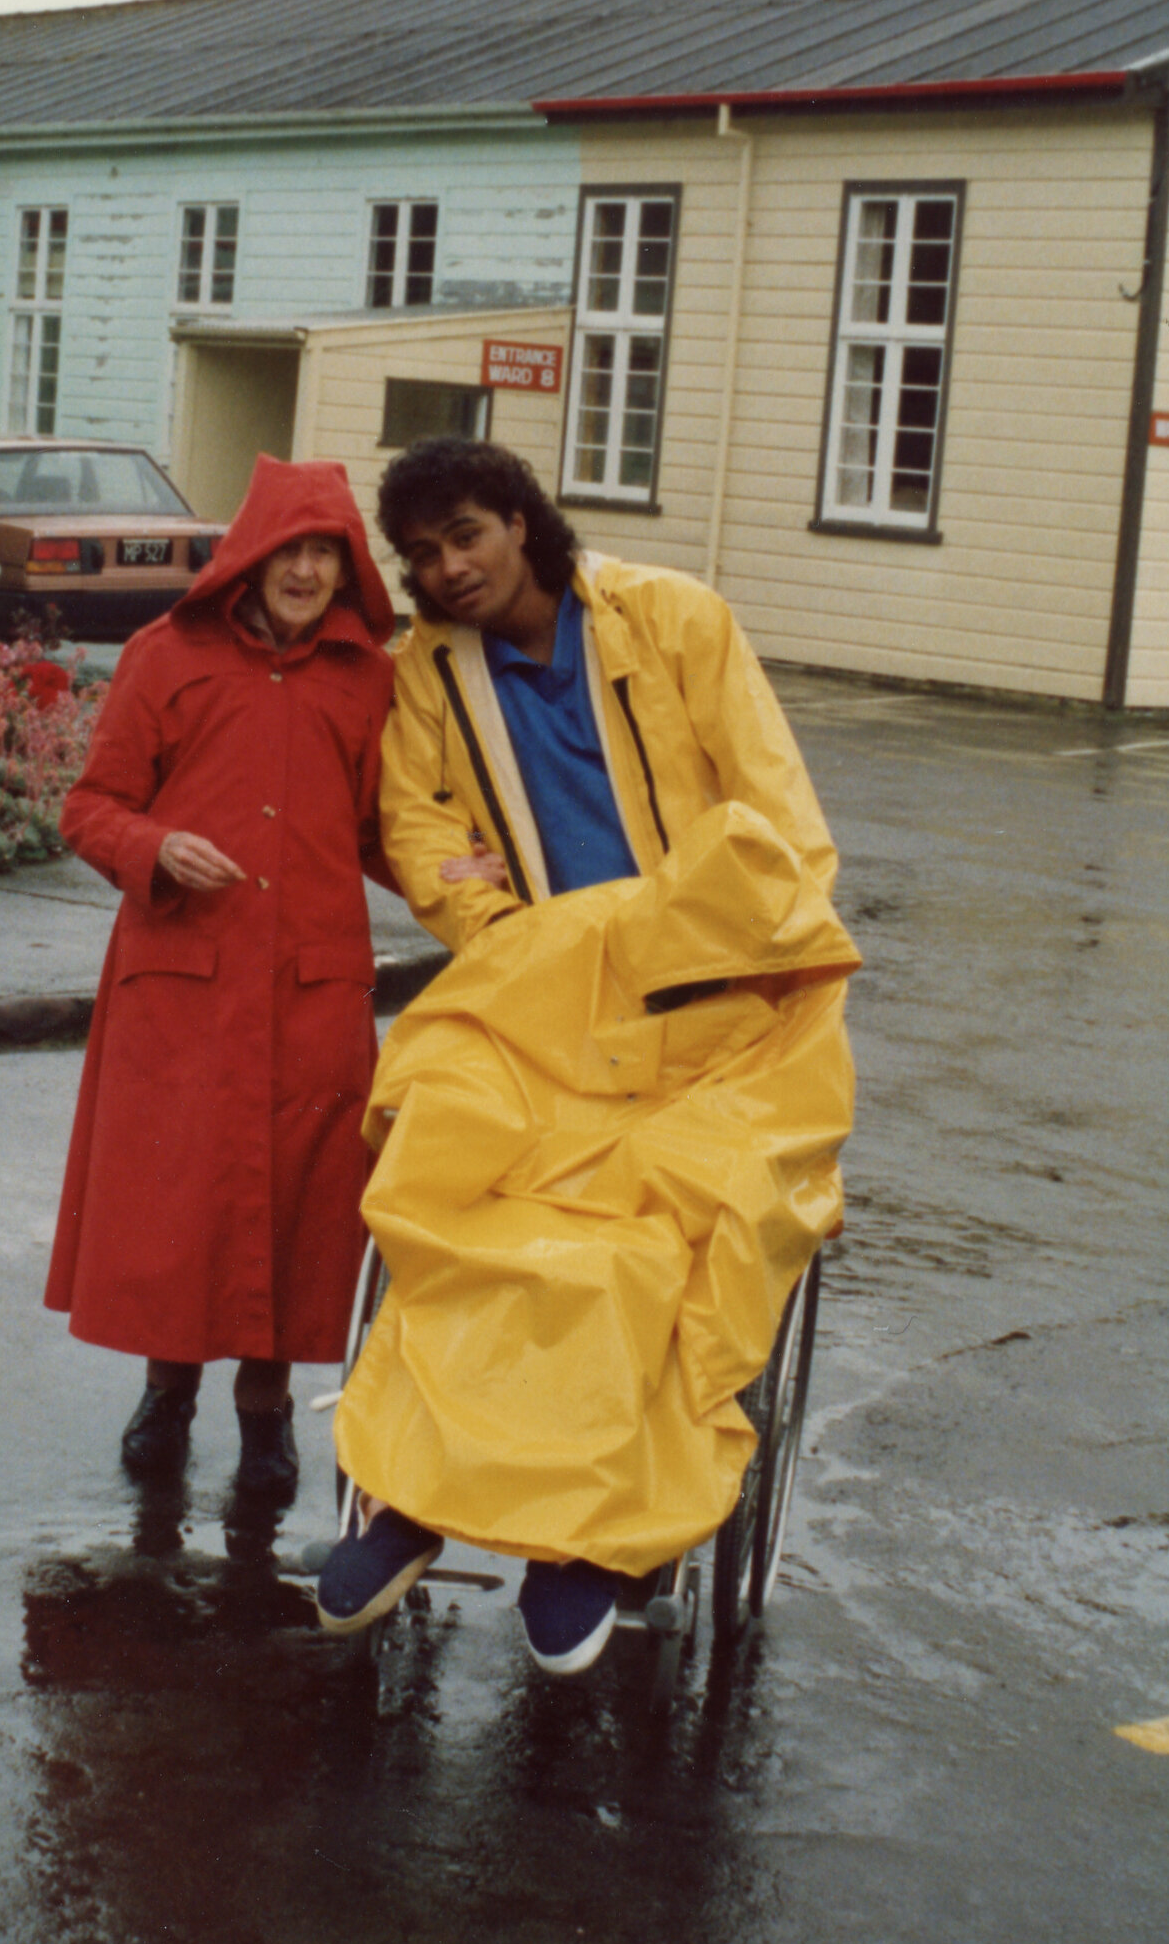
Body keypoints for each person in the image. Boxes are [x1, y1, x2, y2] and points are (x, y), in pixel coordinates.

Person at [315, 435, 855, 1671]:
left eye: (467, 535)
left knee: (658, 1241)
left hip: (722, 1004)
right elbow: (422, 829)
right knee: (449, 1179)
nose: (448, 569)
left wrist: (678, 943)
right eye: (422, 554)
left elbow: (775, 817)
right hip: (546, 1001)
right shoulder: (428, 678)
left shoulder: (672, 620)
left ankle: (597, 1538)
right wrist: (516, 940)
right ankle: (408, 1494)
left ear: (520, 520)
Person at [46, 455, 397, 1505]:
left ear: (347, 568)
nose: (302, 571)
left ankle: (266, 1410)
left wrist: (484, 881)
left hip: (312, 983)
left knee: (300, 1196)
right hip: (182, 980)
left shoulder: (371, 679)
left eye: (323, 553)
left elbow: (393, 829)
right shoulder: (166, 656)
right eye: (287, 548)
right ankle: (166, 1393)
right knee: (182, 1198)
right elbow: (91, 805)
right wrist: (152, 847)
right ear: (248, 552)